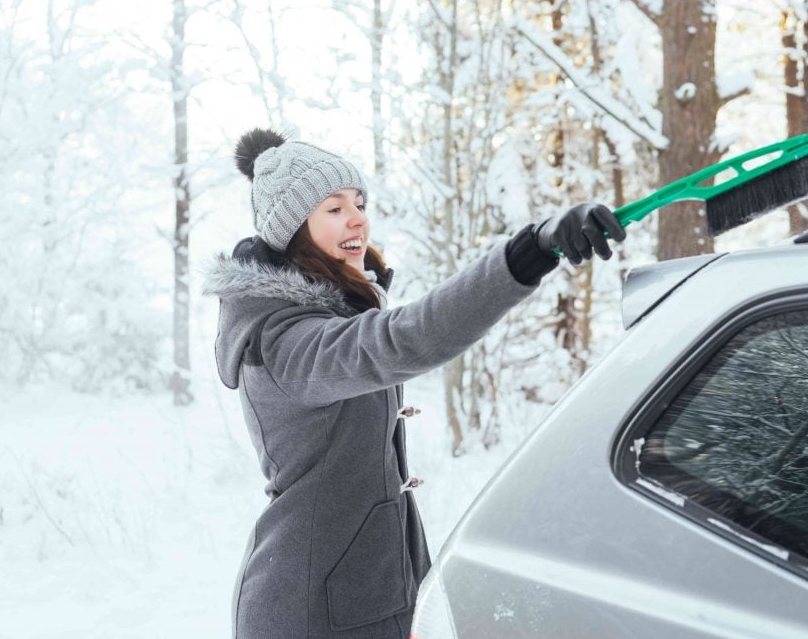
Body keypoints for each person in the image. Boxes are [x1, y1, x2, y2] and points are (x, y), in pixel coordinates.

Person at [203, 127, 626, 638]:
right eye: (333, 208)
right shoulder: (287, 343)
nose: (357, 216)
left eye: (357, 202)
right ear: (294, 232)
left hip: (371, 591)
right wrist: (527, 252)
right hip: (310, 607)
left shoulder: (329, 317)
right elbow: (403, 339)